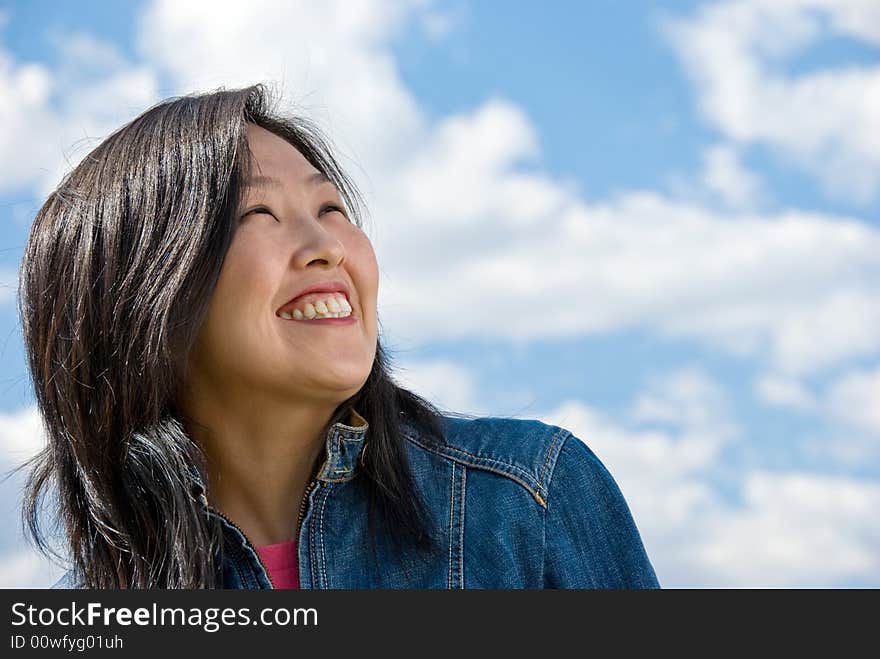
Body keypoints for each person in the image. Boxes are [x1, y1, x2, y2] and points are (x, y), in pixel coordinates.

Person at [18, 84, 660, 589]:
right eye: (258, 213)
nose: (327, 247)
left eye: (331, 210)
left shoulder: (528, 503)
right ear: (144, 300)